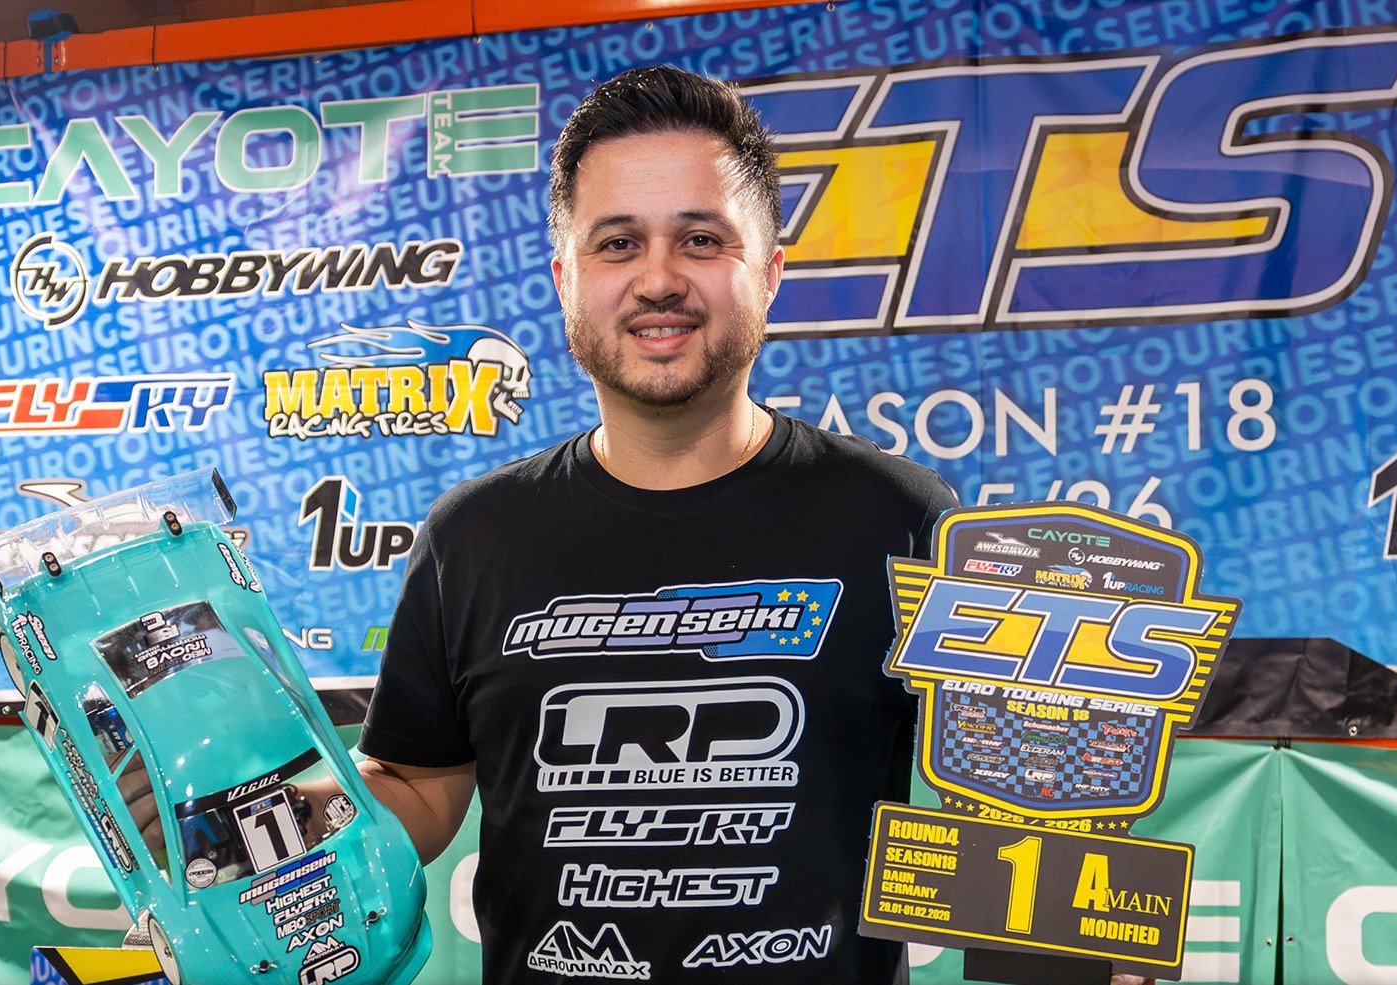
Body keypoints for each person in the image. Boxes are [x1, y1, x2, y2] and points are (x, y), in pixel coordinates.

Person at [353, 64, 958, 983]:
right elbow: (419, 787)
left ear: (771, 272)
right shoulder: (472, 536)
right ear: (566, 279)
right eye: (619, 243)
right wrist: (268, 820)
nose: (660, 278)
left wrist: (1078, 926)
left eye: (701, 239)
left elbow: (1008, 793)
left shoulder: (903, 520)